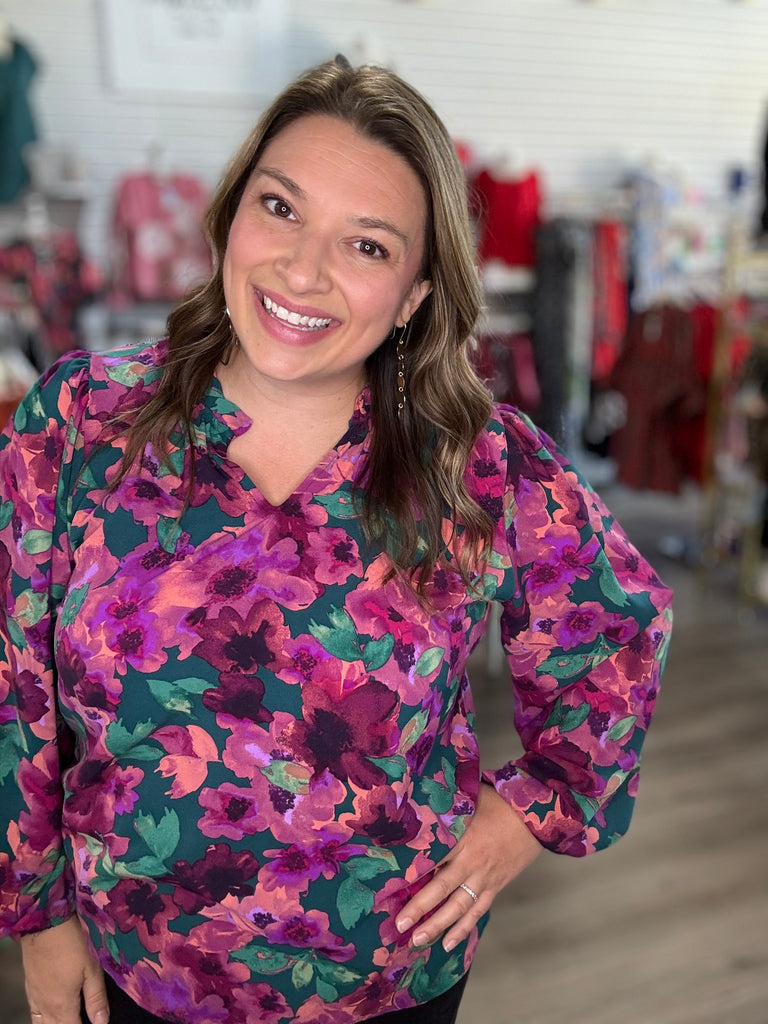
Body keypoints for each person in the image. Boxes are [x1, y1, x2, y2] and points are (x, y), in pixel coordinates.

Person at [0, 56, 673, 1024]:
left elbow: (615, 633)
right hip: (135, 972)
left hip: (390, 978)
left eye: (367, 246)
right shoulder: (80, 419)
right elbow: (11, 680)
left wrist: (531, 812)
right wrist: (37, 915)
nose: (304, 270)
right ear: (231, 214)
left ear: (412, 294)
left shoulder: (479, 465)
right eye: (281, 209)